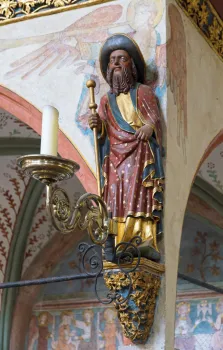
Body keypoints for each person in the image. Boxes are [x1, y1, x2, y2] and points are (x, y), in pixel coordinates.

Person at [88, 34, 164, 260]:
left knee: (138, 193)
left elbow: (154, 119)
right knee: (115, 197)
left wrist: (149, 127)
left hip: (139, 152)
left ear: (132, 66)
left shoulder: (143, 92)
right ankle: (119, 239)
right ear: (109, 68)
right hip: (114, 158)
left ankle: (143, 238)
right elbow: (102, 131)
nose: (117, 63)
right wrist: (97, 125)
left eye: (122, 58)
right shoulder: (104, 100)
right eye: (113, 60)